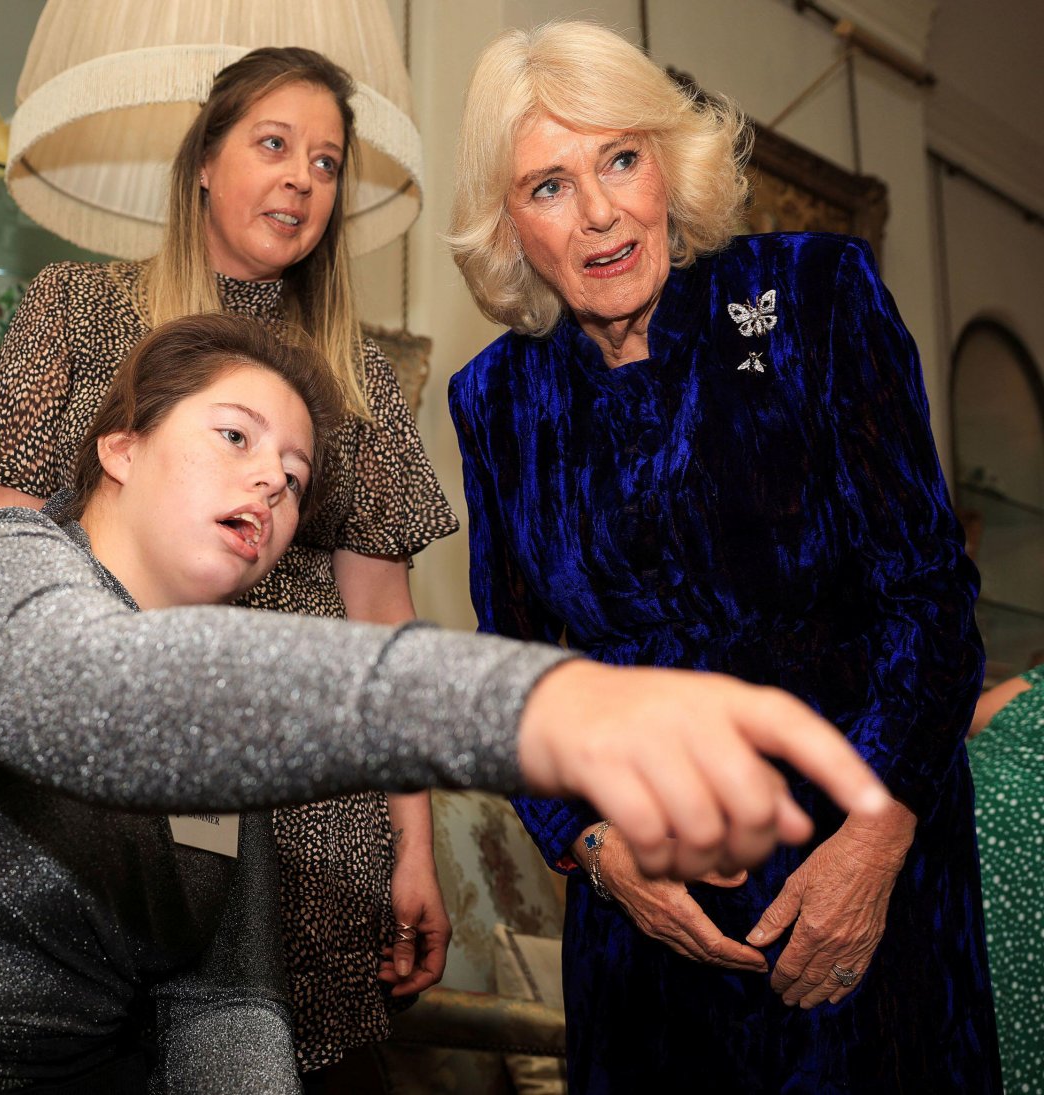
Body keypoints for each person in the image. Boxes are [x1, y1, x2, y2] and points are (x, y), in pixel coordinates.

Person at [0, 313, 887, 1093]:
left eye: (294, 478)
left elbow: (221, 1001)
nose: (270, 489)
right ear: (120, 447)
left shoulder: (228, 737)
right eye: (237, 438)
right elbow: (94, 699)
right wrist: (547, 709)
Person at [446, 20, 999, 1094]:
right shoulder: (497, 401)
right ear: (509, 226)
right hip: (649, 929)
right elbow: (509, 669)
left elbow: (930, 600)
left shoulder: (816, 297)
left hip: (861, 891)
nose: (600, 212)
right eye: (548, 186)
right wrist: (594, 851)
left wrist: (872, 844)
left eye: (620, 158)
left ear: (669, 162)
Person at [0, 47, 456, 1072]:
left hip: (316, 808)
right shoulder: (82, 306)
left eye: (325, 163)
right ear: (205, 164)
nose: (302, 179)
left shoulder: (355, 376)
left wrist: (416, 843)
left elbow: (384, 619)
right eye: (275, 144)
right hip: (99, 777)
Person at [968, 668, 1044, 1093]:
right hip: (963, 858)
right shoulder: (1042, 679)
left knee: (1011, 1000)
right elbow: (964, 717)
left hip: (1026, 880)